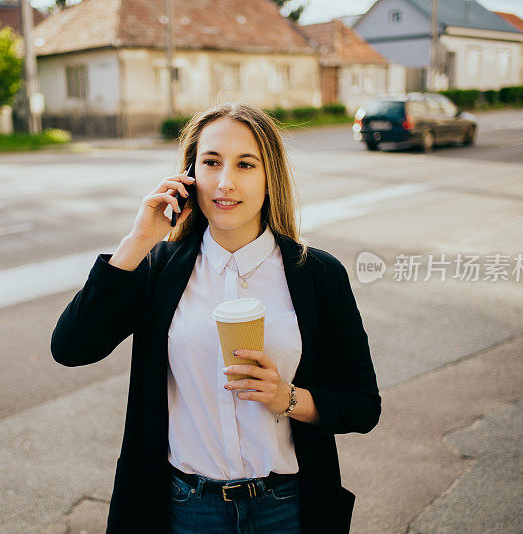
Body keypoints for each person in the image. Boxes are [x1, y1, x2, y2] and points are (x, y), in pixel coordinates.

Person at [51, 102, 381, 533]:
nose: (225, 182)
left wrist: (288, 397)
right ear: (190, 175)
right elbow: (71, 348)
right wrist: (138, 240)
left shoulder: (317, 274)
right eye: (211, 162)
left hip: (287, 507)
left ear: (269, 177)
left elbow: (362, 405)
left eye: (245, 164)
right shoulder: (157, 269)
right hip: (185, 508)